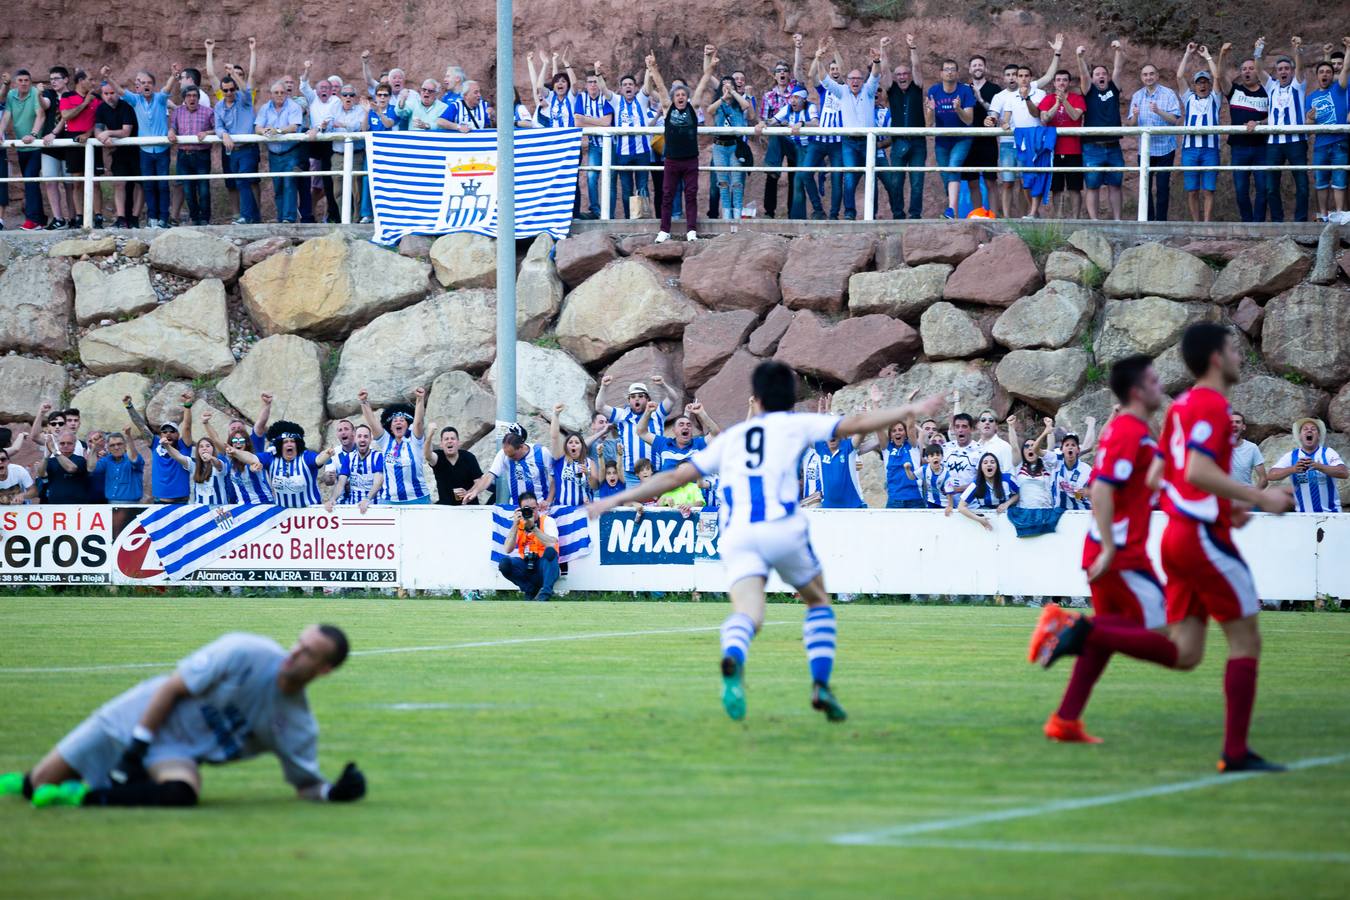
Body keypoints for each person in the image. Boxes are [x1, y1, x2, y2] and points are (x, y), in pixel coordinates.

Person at [586, 359, 943, 723]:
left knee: (748, 614)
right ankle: (820, 684)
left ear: (754, 399)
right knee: (818, 602)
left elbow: (677, 476)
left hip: (739, 533)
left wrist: (613, 500)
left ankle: (735, 654)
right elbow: (857, 424)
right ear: (789, 399)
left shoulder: (733, 439)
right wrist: (910, 408)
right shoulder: (794, 424)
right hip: (782, 526)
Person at [1032, 325, 1295, 771]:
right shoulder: (1192, 410)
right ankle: (1234, 752)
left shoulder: (1177, 412)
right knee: (1220, 639)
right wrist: (1259, 497)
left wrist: (1225, 503)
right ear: (1216, 358)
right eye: (1234, 349)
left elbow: (1169, 477)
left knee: (1183, 653)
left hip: (1172, 536)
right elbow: (1117, 485)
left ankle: (1067, 712)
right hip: (1168, 545)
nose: (1239, 357)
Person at [4, 626, 365, 809]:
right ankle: (23, 781)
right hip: (138, 715)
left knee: (182, 793)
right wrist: (136, 748)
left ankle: (82, 798)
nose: (296, 652)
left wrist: (335, 792)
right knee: (37, 784)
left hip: (176, 754)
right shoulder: (245, 650)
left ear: (324, 669)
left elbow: (305, 786)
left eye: (308, 653)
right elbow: (173, 687)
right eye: (299, 643)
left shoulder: (297, 723)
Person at [1034, 354, 1168, 742]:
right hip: (1121, 554)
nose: (1162, 386)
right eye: (1155, 381)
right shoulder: (1128, 432)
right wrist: (1111, 546)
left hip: (1108, 550)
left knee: (1105, 644)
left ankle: (1065, 720)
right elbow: (1102, 490)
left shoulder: (1129, 430)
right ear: (1137, 391)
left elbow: (1145, 476)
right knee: (1165, 631)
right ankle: (1071, 626)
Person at [818, 41, 881, 220]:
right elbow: (824, 79)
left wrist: (876, 61)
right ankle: (849, 214)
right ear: (847, 81)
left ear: (862, 81)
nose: (855, 81)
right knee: (850, 180)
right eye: (852, 79)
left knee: (872, 179)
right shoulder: (842, 91)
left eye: (858, 79)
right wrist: (818, 59)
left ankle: (872, 216)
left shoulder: (869, 91)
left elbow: (875, 76)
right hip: (849, 142)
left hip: (869, 142)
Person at [653, 51, 708, 243]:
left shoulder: (693, 109)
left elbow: (701, 86)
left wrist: (711, 68)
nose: (681, 97)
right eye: (677, 94)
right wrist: (652, 68)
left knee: (691, 195)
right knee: (667, 195)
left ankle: (691, 230)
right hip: (672, 160)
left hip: (690, 160)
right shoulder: (668, 109)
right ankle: (664, 230)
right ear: (673, 98)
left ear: (687, 97)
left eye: (683, 94)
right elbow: (660, 87)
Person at [1255, 37, 1309, 223]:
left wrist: (1297, 50)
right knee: (1271, 186)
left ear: (1292, 71)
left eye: (1287, 68)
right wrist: (1258, 50)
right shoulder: (1271, 87)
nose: (1284, 71)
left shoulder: (1298, 85)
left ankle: (1300, 221)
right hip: (1274, 143)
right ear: (1276, 73)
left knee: (1301, 184)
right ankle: (1277, 221)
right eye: (1280, 69)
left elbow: (1301, 67)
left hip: (1296, 141)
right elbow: (1258, 70)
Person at [1216, 46, 1270, 223]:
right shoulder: (1235, 91)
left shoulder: (1267, 91)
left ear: (1258, 71)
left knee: (1263, 188)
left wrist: (1260, 123)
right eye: (1244, 69)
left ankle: (1259, 223)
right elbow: (1220, 77)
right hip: (1239, 147)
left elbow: (1278, 117)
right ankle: (1247, 222)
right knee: (1241, 189)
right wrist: (1222, 55)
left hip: (1262, 147)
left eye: (1251, 68)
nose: (1247, 71)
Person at [596, 376, 680, 488]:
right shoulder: (622, 415)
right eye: (633, 397)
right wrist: (604, 387)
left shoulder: (657, 413)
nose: (637, 399)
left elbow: (673, 398)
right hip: (631, 474)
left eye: (641, 396)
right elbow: (599, 407)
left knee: (657, 504)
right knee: (633, 504)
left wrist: (663, 384)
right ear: (629, 400)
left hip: (654, 471)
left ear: (648, 399)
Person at [231, 422, 336, 508]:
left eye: (292, 441)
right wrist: (235, 452)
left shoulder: (306, 456)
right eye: (285, 442)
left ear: (297, 444)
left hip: (309, 513)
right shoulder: (271, 458)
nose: (289, 444)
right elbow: (251, 458)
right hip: (283, 515)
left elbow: (318, 459)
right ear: (280, 445)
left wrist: (327, 454)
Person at [1076, 41, 1126, 220]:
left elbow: (1118, 68)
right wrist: (1080, 57)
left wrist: (1119, 51)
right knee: (1093, 185)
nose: (1101, 76)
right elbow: (1083, 73)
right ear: (1093, 77)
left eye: (1104, 73)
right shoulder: (1088, 90)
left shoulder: (1113, 87)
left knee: (1115, 185)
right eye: (1097, 74)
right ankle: (1094, 221)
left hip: (1113, 145)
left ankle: (1118, 220)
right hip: (1092, 147)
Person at [880, 33, 927, 220]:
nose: (902, 77)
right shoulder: (891, 90)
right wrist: (883, 49)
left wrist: (913, 47)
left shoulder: (917, 87)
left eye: (905, 74)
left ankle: (915, 215)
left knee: (917, 182)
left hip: (917, 143)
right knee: (896, 182)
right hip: (898, 142)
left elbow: (916, 66)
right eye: (898, 74)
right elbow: (884, 71)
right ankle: (897, 215)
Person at [991, 64, 1048, 218]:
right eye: (1020, 76)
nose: (1023, 79)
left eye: (1026, 76)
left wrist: (1026, 98)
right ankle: (1008, 218)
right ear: (1016, 78)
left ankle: (1033, 213)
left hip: (1034, 144)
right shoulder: (1009, 97)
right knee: (1008, 181)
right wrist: (1003, 123)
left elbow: (1036, 113)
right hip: (1016, 143)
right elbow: (1007, 118)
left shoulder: (1040, 93)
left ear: (1031, 78)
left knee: (1028, 182)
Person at [1126, 63, 1181, 221]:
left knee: (1163, 187)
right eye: (1145, 74)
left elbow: (1174, 120)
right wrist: (1135, 116)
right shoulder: (1137, 96)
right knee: (1145, 188)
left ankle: (1161, 221)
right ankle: (1147, 221)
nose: (1148, 77)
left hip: (1165, 148)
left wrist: (1158, 111)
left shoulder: (1169, 94)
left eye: (1151, 74)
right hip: (1145, 150)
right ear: (1141, 77)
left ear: (1157, 76)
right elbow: (1130, 125)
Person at [925, 59, 978, 219]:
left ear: (957, 73)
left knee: (953, 166)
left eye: (952, 69)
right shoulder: (934, 91)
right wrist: (930, 110)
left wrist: (958, 109)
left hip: (962, 138)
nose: (949, 72)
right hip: (942, 141)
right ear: (941, 73)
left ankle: (951, 211)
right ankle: (952, 211)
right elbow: (928, 124)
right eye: (946, 69)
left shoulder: (965, 91)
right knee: (946, 176)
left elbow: (969, 120)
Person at [360, 387, 430, 505]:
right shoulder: (386, 441)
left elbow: (418, 422)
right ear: (390, 428)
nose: (398, 422)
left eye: (402, 420)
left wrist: (419, 399)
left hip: (417, 500)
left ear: (408, 425)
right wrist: (363, 402)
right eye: (395, 421)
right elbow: (372, 423)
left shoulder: (415, 441)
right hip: (389, 501)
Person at [1177, 45, 1223, 223]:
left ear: (1209, 85)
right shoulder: (1188, 98)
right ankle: (1196, 223)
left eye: (1205, 82)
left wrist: (1208, 57)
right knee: (1192, 189)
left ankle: (1207, 223)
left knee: (1209, 189)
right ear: (1194, 85)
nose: (1202, 85)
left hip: (1210, 148)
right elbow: (1179, 76)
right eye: (1199, 82)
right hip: (1190, 149)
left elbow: (1217, 76)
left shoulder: (1214, 98)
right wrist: (1187, 53)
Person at [1305, 47, 1350, 221]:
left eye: (1328, 72)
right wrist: (1309, 119)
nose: (1325, 74)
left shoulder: (1339, 89)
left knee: (1339, 179)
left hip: (1339, 142)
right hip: (1320, 145)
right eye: (1321, 72)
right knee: (1321, 181)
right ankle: (1323, 215)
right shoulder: (1310, 97)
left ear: (1333, 76)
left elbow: (1345, 68)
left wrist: (1348, 48)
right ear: (1317, 76)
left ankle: (1339, 214)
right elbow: (1308, 127)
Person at [463, 424, 555, 508]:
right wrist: (475, 491)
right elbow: (490, 476)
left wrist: (548, 501)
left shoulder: (542, 452)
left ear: (521, 446)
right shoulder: (503, 454)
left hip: (540, 506)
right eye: (506, 454)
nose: (509, 458)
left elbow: (554, 477)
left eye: (512, 455)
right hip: (516, 507)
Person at [1267, 417, 1347, 512]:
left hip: (1331, 514)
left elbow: (1344, 472)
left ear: (1319, 436)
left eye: (1313, 429)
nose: (1309, 431)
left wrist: (1319, 466)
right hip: (1302, 516)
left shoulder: (1328, 453)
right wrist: (1293, 469)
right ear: (1300, 436)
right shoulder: (1291, 456)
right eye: (1305, 429)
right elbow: (1271, 475)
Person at [124, 393, 192, 504]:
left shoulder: (184, 446)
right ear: (160, 436)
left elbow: (187, 426)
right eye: (164, 432)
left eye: (172, 431)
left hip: (181, 502)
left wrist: (187, 405)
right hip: (159, 501)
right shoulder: (155, 444)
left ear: (178, 434)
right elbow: (141, 426)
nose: (168, 434)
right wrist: (129, 406)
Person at [2, 69, 49, 229]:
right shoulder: (11, 95)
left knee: (30, 179)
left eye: (26, 80)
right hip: (22, 148)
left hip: (35, 145)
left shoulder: (35, 92)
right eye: (20, 80)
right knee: (30, 181)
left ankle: (33, 220)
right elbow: (6, 115)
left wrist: (33, 135)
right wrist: (0, 132)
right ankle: (41, 219)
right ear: (16, 82)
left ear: (30, 82)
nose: (23, 83)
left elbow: (40, 115)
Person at [1037, 69, 1086, 219]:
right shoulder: (1048, 99)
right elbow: (1045, 118)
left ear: (1069, 82)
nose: (1061, 83)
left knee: (1074, 187)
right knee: (1056, 188)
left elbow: (1075, 115)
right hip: (1053, 149)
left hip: (1073, 149)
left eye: (1065, 80)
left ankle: (1076, 219)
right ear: (1054, 83)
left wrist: (1064, 101)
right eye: (1058, 80)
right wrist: (1057, 104)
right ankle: (1058, 218)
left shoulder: (1077, 98)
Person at [93, 73, 140, 228]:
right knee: (119, 183)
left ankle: (135, 217)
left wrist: (109, 133)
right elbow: (97, 129)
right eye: (106, 94)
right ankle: (121, 218)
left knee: (140, 184)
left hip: (135, 150)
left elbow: (126, 131)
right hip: (118, 152)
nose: (109, 97)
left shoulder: (126, 106)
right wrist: (102, 137)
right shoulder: (101, 109)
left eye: (112, 93)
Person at [708, 75, 756, 223]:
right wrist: (723, 97)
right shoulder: (718, 103)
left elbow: (746, 107)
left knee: (737, 182)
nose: (727, 87)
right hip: (719, 147)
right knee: (722, 182)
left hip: (736, 147)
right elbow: (710, 110)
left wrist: (734, 93)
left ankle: (738, 215)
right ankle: (726, 215)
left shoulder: (739, 104)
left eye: (730, 85)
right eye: (724, 85)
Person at [255, 82, 305, 223]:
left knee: (289, 185)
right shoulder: (265, 108)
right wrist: (263, 131)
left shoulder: (294, 107)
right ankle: (280, 217)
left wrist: (277, 130)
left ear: (286, 94)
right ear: (271, 94)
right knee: (278, 187)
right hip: (274, 154)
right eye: (276, 92)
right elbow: (258, 126)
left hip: (291, 152)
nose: (279, 95)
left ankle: (288, 219)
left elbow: (294, 127)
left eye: (282, 92)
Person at [497, 491, 560, 601]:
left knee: (550, 552)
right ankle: (530, 590)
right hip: (527, 566)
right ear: (520, 510)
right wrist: (515, 525)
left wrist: (533, 528)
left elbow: (552, 543)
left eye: (533, 509)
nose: (531, 512)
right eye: (527, 509)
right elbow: (507, 549)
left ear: (538, 508)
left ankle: (544, 595)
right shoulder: (519, 523)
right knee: (504, 564)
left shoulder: (547, 521)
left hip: (545, 567)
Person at [216, 73, 260, 224]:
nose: (229, 93)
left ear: (235, 89)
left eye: (231, 89)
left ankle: (246, 217)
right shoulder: (219, 106)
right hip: (232, 151)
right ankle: (255, 218)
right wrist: (224, 134)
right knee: (240, 182)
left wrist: (234, 74)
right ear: (221, 91)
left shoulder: (244, 100)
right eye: (225, 90)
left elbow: (246, 89)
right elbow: (218, 126)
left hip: (248, 149)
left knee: (242, 181)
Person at [167, 85, 214, 226]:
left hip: (202, 154)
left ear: (198, 98)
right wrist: (171, 131)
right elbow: (173, 127)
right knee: (187, 189)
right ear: (184, 98)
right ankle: (194, 218)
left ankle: (205, 218)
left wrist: (207, 133)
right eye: (189, 96)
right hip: (184, 155)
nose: (192, 98)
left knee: (204, 189)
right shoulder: (177, 112)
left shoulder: (208, 112)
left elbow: (217, 128)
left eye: (194, 95)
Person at [638, 402, 717, 472]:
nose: (685, 427)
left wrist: (701, 413)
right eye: (681, 424)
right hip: (669, 488)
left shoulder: (698, 443)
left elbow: (715, 434)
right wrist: (647, 412)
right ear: (674, 430)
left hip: (693, 488)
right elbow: (642, 432)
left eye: (689, 425)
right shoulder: (663, 444)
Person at [547, 405, 598, 507]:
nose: (573, 444)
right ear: (566, 447)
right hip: (562, 511)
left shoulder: (590, 462)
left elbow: (595, 486)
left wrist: (587, 474)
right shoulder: (560, 460)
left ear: (582, 446)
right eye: (570, 442)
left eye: (576, 442)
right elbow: (554, 437)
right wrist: (556, 415)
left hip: (584, 511)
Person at [327, 424, 385, 514]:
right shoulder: (349, 457)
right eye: (359, 436)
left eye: (366, 436)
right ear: (354, 439)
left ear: (370, 439)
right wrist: (332, 499)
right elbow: (340, 483)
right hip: (354, 508)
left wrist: (367, 500)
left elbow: (377, 483)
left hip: (374, 507)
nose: (362, 439)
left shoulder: (378, 457)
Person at [956, 453, 1017, 531]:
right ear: (981, 468)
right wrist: (979, 519)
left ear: (997, 466)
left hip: (1008, 520)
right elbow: (961, 507)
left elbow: (1018, 494)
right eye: (985, 463)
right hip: (987, 520)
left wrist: (1007, 504)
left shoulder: (1008, 479)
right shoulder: (975, 484)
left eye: (992, 462)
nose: (989, 465)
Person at [425, 425, 482, 506]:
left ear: (458, 442)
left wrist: (468, 493)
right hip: (446, 508)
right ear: (441, 444)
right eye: (446, 439)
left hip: (469, 507)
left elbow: (479, 482)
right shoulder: (438, 457)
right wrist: (430, 435)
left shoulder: (469, 457)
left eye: (452, 438)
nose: (449, 441)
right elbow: (427, 455)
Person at [90, 427, 143, 502]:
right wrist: (94, 447)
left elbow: (134, 459)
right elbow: (91, 468)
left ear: (125, 445)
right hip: (110, 503)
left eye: (119, 444)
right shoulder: (107, 460)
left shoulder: (132, 458)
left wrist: (128, 436)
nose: (116, 447)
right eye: (112, 445)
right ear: (108, 448)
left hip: (131, 504)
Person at [42, 431, 90, 504]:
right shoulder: (51, 461)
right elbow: (41, 473)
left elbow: (71, 468)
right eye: (62, 443)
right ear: (58, 445)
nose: (65, 445)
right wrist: (46, 457)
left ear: (74, 445)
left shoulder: (80, 460)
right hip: (54, 504)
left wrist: (55, 451)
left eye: (69, 443)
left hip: (78, 504)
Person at [942, 412, 981, 495]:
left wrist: (957, 489)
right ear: (953, 429)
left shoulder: (980, 451)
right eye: (957, 427)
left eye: (964, 426)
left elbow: (981, 481)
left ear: (971, 429)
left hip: (970, 504)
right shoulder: (945, 448)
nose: (960, 430)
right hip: (947, 503)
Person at [1229, 412, 1268, 488]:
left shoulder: (1252, 448)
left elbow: (1263, 479)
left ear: (1244, 427)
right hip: (1222, 497)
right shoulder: (1217, 446)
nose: (1234, 424)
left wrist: (1252, 496)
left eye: (1238, 422)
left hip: (1244, 497)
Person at [918, 443, 953, 510]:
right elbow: (912, 477)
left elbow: (949, 491)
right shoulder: (924, 469)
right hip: (930, 502)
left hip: (944, 504)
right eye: (932, 455)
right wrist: (907, 469)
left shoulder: (946, 474)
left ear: (942, 457)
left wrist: (950, 506)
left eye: (938, 455)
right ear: (927, 459)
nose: (935, 457)